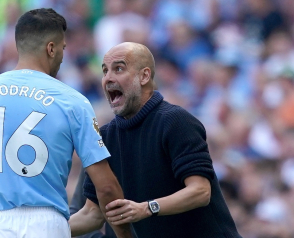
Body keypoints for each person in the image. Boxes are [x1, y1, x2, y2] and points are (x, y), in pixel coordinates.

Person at [0, 9, 132, 238]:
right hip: (45, 224)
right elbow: (107, 188)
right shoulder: (73, 101)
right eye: (62, 48)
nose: (62, 56)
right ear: (51, 49)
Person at [69, 42, 242, 238]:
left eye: (118, 69)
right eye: (104, 71)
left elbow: (200, 192)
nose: (108, 78)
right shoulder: (106, 136)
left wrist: (147, 208)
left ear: (144, 76)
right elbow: (92, 214)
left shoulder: (176, 121)